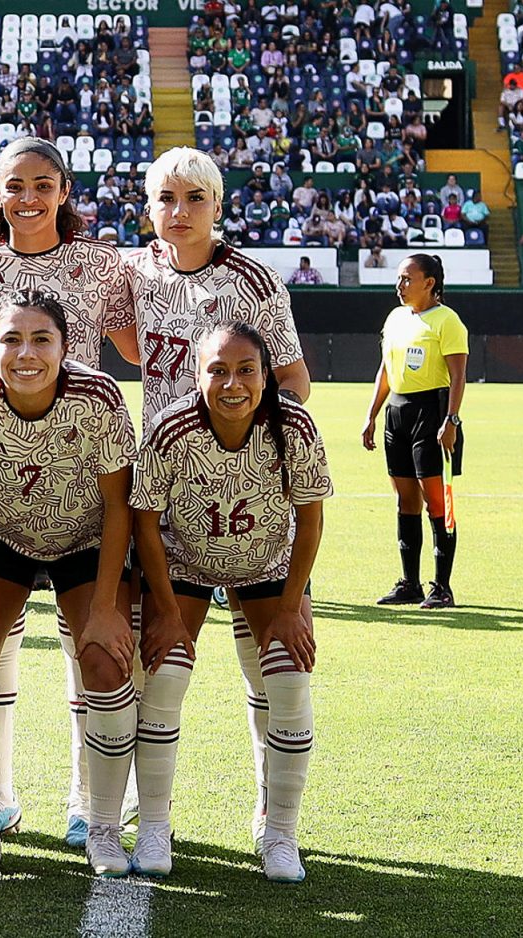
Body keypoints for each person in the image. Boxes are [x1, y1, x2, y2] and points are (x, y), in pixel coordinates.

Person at [0, 136, 137, 844]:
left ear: (64, 191)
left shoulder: (100, 262)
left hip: (87, 482)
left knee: (93, 651)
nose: (28, 197)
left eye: (43, 184)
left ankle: (91, 805)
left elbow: (140, 343)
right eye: (14, 185)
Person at [123, 147, 311, 855]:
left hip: (252, 505)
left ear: (218, 204)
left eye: (195, 198)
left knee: (271, 667)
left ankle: (274, 816)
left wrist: (238, 443)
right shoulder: (138, 272)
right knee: (162, 665)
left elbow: (294, 382)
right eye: (167, 198)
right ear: (149, 208)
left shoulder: (253, 280)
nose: (180, 211)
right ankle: (154, 821)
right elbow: (127, 344)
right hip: (167, 506)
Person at [0, 292, 135, 874]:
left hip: (85, 537)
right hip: (1, 535)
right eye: (10, 340)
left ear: (66, 346)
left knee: (106, 659)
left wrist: (101, 606)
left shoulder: (98, 396)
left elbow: (120, 505)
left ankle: (102, 825)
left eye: (41, 339)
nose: (25, 353)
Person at [130, 322, 331, 882]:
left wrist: (292, 608)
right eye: (217, 370)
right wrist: (167, 611)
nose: (232, 383)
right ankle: (152, 824)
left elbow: (311, 516)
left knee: (287, 675)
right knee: (164, 674)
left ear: (267, 377)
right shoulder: (173, 429)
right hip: (185, 559)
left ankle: (280, 832)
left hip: (267, 560)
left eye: (246, 370)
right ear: (197, 377)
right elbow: (145, 522)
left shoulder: (293, 425)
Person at [362, 254, 466, 609]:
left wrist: (450, 421)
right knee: (405, 499)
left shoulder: (447, 321)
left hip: (431, 413)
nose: (400, 284)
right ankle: (410, 583)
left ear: (430, 283)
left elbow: (458, 377)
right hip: (398, 413)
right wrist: (372, 415)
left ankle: (442, 587)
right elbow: (385, 371)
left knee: (436, 502)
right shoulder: (394, 319)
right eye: (399, 278)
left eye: (407, 278)